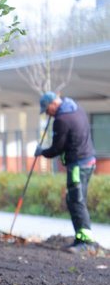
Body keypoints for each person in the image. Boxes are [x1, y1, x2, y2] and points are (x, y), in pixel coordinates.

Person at [37, 91, 98, 251]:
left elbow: (57, 148)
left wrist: (42, 152)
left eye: (47, 109)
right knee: (77, 200)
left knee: (76, 201)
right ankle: (80, 238)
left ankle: (86, 243)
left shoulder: (62, 119)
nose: (47, 113)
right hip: (89, 160)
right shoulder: (77, 109)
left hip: (78, 164)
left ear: (53, 104)